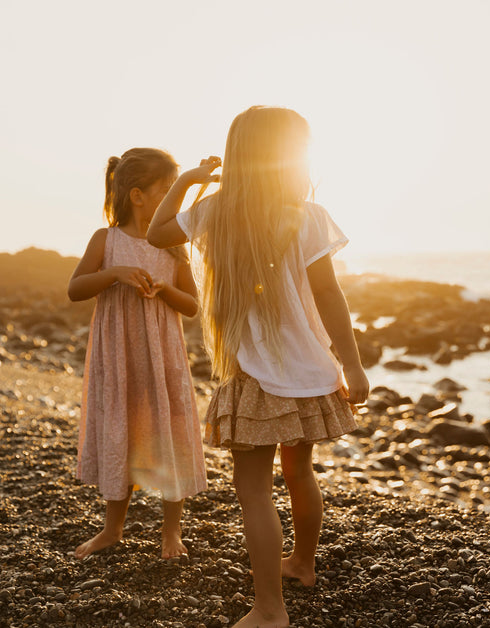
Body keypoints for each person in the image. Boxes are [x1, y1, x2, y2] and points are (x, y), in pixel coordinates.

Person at [147, 107, 369, 628]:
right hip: (311, 372)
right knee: (300, 472)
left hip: (257, 375)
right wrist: (352, 366)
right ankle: (303, 565)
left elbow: (157, 233)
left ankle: (270, 609)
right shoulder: (307, 215)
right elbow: (330, 295)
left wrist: (187, 180)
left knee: (253, 491)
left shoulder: (215, 211)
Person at [68, 147, 207, 560]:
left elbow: (193, 305)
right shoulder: (106, 240)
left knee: (168, 433)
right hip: (120, 359)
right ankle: (112, 529)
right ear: (137, 195)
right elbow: (75, 289)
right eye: (166, 191)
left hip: (162, 358)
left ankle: (171, 531)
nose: (173, 201)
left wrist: (166, 290)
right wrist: (114, 274)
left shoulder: (174, 247)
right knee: (121, 431)